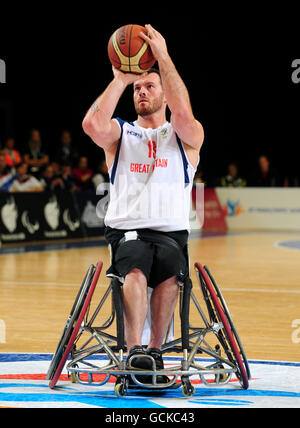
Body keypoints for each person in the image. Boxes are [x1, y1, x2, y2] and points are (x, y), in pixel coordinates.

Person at [82, 24, 204, 378]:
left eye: (150, 86)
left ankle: (156, 352)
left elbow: (183, 114)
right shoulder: (121, 133)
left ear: (166, 95)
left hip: (171, 234)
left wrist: (163, 57)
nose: (142, 91)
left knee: (168, 272)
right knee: (135, 264)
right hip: (128, 232)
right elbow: (92, 125)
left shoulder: (185, 136)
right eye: (138, 88)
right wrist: (121, 79)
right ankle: (135, 350)